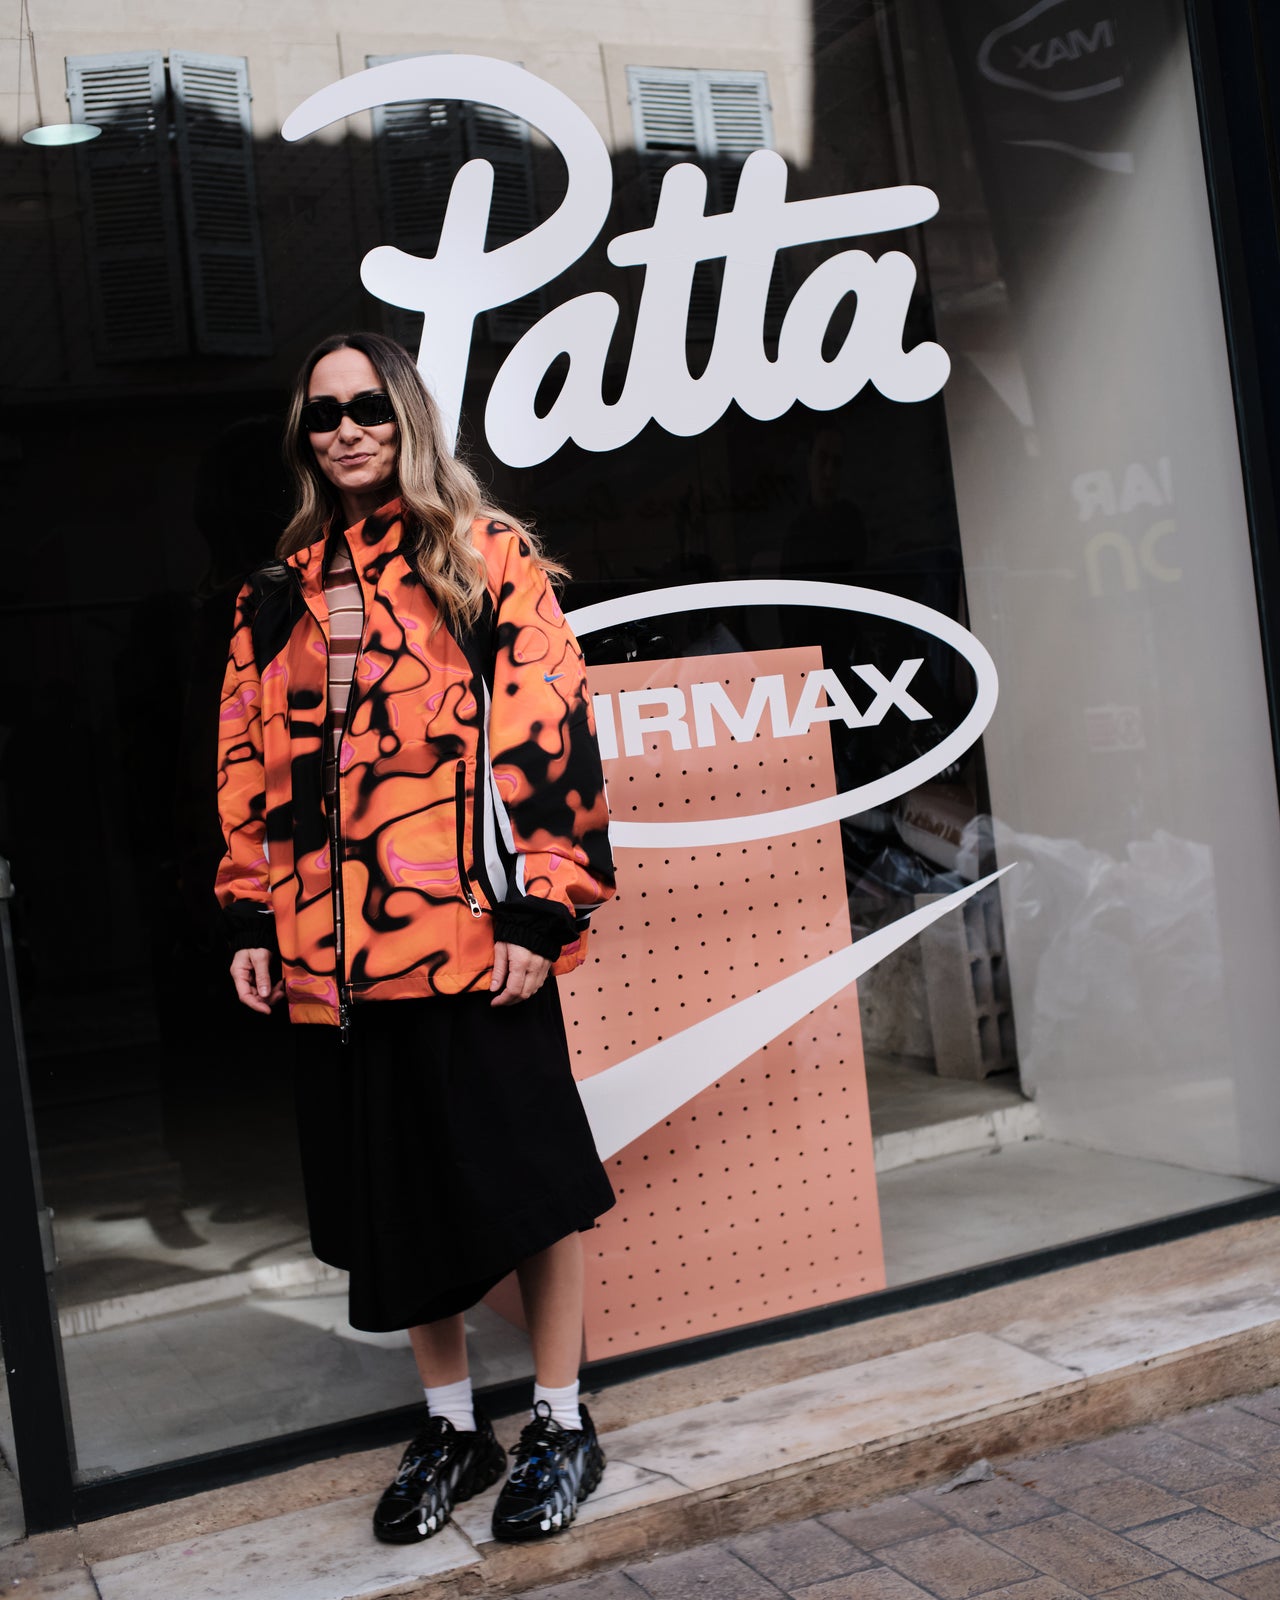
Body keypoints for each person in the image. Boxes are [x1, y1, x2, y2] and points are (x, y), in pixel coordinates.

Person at [214, 331, 617, 1545]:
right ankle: (451, 1425)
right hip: (332, 960)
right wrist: (250, 908)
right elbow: (246, 758)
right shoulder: (276, 592)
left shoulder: (483, 556)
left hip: (471, 940)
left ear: (407, 419)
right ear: (303, 436)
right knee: (396, 1202)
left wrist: (544, 904)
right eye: (322, 414)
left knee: (528, 1184)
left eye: (367, 409)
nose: (345, 430)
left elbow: (551, 725)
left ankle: (560, 1419)